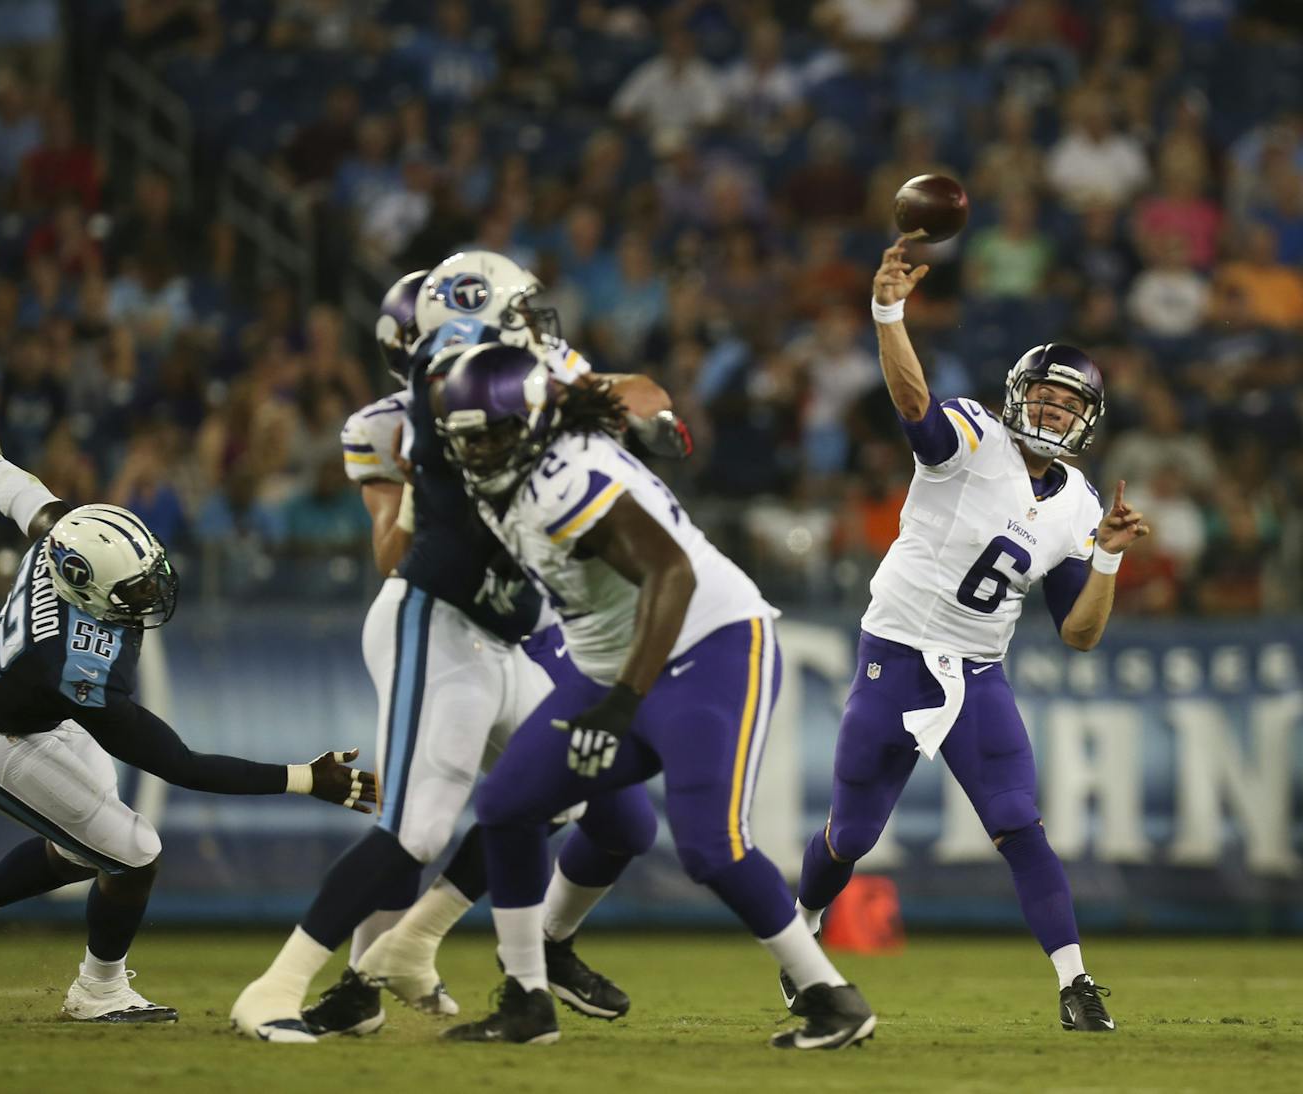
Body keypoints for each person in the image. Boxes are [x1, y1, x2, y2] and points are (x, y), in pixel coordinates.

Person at [231, 259, 669, 1043]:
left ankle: (410, 945)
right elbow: (396, 548)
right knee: (418, 827)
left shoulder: (532, 372)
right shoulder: (431, 395)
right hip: (435, 615)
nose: (539, 330)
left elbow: (634, 390)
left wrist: (624, 408)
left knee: (558, 792)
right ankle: (276, 986)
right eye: (518, 315)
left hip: (508, 633)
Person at [433, 342, 875, 1050]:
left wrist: (619, 703)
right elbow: (624, 391)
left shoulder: (561, 477)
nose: (481, 451)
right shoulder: (518, 451)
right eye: (469, 438)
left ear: (533, 423)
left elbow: (672, 573)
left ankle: (831, 997)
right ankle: (526, 997)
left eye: (493, 434)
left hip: (710, 644)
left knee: (712, 845)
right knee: (508, 806)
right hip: (609, 659)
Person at [0, 397, 375, 1023]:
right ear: (86, 587)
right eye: (135, 589)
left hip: (25, 717)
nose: (152, 592)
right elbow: (181, 765)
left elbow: (23, 496)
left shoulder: (64, 542)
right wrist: (306, 778)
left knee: (97, 844)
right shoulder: (72, 664)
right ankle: (99, 991)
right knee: (135, 848)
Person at [789, 236, 1151, 1034]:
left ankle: (1076, 982)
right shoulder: (972, 437)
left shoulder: (1080, 507)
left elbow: (1081, 635)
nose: (1055, 412)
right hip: (896, 651)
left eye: (1069, 405)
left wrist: (1109, 564)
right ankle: (803, 935)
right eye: (1046, 398)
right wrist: (889, 311)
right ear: (1019, 396)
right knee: (850, 835)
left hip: (978, 671)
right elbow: (912, 399)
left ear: (1087, 420)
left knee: (1019, 822)